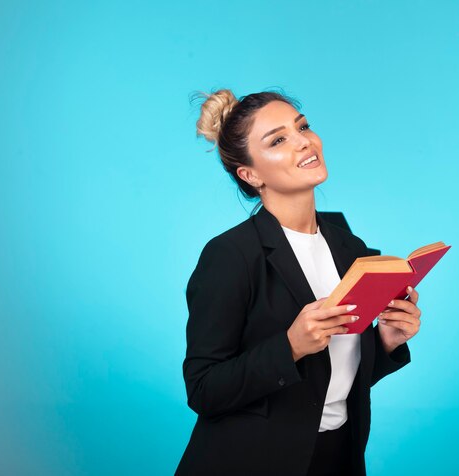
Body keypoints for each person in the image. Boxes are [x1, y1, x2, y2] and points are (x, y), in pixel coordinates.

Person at [175, 88, 422, 476]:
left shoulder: (350, 245)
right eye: (278, 140)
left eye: (302, 126)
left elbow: (335, 378)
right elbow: (203, 389)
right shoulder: (230, 256)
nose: (303, 141)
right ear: (250, 174)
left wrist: (386, 342)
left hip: (338, 457)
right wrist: (289, 347)